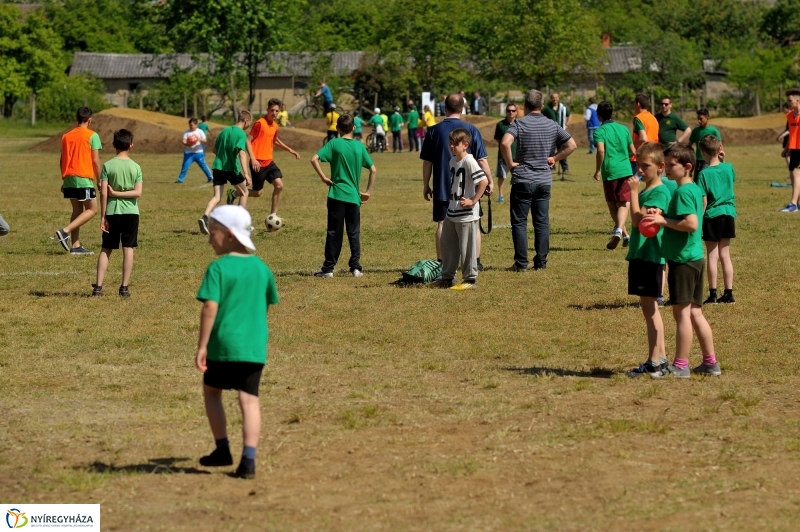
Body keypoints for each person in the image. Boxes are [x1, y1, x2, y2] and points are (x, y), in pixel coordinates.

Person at [195, 205, 279, 480]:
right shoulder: (262, 269)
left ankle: (222, 450)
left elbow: (210, 307)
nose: (209, 238)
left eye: (213, 232)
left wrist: (202, 346)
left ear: (229, 235)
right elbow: (266, 306)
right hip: (254, 348)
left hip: (224, 345)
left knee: (212, 392)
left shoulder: (218, 268)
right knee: (249, 400)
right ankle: (249, 461)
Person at [643, 144, 721, 378]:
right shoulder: (694, 189)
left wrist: (663, 221)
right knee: (696, 313)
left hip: (683, 259)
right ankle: (710, 362)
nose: (666, 167)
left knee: (682, 314)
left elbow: (691, 224)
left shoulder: (683, 192)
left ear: (687, 167)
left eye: (671, 164)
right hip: (695, 256)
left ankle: (680, 365)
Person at [500, 89, 576, 271]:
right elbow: (571, 145)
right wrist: (555, 158)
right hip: (543, 180)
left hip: (522, 179)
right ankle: (541, 263)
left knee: (519, 223)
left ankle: (521, 263)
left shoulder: (519, 124)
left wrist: (510, 164)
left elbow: (505, 143)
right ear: (542, 106)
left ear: (525, 107)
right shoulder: (552, 124)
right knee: (541, 222)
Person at [421, 94, 493, 265]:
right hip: (468, 189)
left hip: (442, 187)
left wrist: (426, 185)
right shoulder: (471, 130)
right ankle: (476, 261)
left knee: (441, 224)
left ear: (445, 108)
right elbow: (482, 160)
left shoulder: (433, 130)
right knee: (473, 224)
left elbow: (427, 162)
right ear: (462, 109)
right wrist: (489, 180)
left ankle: (441, 262)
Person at [623, 143, 672, 378]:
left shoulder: (658, 192)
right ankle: (660, 359)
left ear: (660, 167)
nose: (640, 171)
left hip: (649, 255)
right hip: (643, 255)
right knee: (649, 309)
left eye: (646, 166)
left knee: (650, 309)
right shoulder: (649, 191)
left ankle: (655, 361)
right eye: (638, 165)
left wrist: (632, 193)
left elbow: (638, 222)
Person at [310, 114, 376, 278]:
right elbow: (373, 169)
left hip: (336, 194)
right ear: (354, 128)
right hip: (354, 197)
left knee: (334, 231)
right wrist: (367, 192)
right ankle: (355, 268)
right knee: (353, 232)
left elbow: (314, 159)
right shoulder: (359, 147)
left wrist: (323, 177)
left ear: (337, 128)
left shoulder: (333, 143)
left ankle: (328, 269)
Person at [428, 128, 488, 290]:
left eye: (456, 144)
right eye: (451, 143)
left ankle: (470, 279)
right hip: (452, 211)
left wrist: (473, 200)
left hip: (466, 214)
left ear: (465, 145)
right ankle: (447, 277)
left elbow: (483, 181)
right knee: (448, 245)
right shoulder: (452, 161)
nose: (452, 146)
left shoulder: (470, 161)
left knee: (467, 248)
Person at [228, 99, 300, 218]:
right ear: (267, 110)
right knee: (257, 192)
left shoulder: (275, 126)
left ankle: (273, 215)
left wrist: (290, 150)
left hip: (269, 162)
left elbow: (275, 140)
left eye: (277, 111)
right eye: (272, 110)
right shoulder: (259, 123)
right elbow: (248, 140)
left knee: (279, 185)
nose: (274, 113)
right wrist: (253, 158)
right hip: (257, 163)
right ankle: (234, 193)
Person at [93, 129, 142, 298]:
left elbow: (104, 192)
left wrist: (103, 215)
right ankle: (124, 287)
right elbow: (138, 193)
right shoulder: (136, 167)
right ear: (131, 145)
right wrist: (121, 194)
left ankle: (98, 287)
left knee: (106, 249)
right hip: (131, 213)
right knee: (128, 248)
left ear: (114, 145)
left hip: (112, 212)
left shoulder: (107, 166)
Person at [54, 106, 102, 255]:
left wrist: (64, 179)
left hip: (68, 178)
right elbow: (95, 161)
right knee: (92, 210)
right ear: (90, 120)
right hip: (83, 179)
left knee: (77, 210)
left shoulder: (66, 136)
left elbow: (62, 160)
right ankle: (65, 231)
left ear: (77, 119)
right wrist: (99, 180)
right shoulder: (92, 135)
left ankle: (75, 246)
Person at [198, 111, 253, 235]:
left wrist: (223, 156)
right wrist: (246, 174)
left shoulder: (224, 131)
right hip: (232, 169)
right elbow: (242, 153)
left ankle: (204, 217)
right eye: (250, 122)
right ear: (246, 121)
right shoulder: (241, 134)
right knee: (245, 192)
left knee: (216, 197)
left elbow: (214, 150)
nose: (250, 125)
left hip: (218, 167)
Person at [696, 135, 736, 304]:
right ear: (719, 149)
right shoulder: (728, 168)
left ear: (702, 152)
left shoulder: (703, 174)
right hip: (728, 214)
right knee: (725, 255)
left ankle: (712, 294)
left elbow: (703, 201)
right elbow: (731, 179)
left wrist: (698, 221)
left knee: (712, 256)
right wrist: (724, 159)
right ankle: (728, 293)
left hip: (712, 215)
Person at [593, 101, 636, 250]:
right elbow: (633, 151)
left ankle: (619, 230)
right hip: (626, 169)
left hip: (610, 170)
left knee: (612, 203)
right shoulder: (624, 129)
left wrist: (598, 170)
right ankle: (624, 235)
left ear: (598, 116)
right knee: (623, 203)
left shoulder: (599, 131)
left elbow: (600, 151)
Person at [688, 108, 722, 181]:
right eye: (698, 119)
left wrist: (721, 160)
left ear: (707, 118)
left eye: (701, 119)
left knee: (704, 179)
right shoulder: (696, 131)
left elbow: (720, 146)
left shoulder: (713, 131)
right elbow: (689, 146)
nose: (699, 121)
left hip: (709, 161)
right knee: (696, 181)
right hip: (697, 161)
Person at [493, 104, 518, 203]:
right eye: (508, 110)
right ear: (506, 112)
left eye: (513, 110)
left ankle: (517, 195)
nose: (511, 112)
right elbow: (498, 139)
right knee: (501, 176)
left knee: (517, 177)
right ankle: (501, 196)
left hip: (517, 155)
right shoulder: (500, 125)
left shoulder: (520, 124)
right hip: (503, 156)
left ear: (516, 112)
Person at [175, 118, 213, 184]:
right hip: (189, 153)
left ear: (196, 125)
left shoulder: (200, 131)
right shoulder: (187, 132)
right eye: (189, 125)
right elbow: (183, 140)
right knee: (185, 166)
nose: (190, 126)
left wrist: (199, 139)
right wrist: (187, 144)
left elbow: (205, 140)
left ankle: (211, 178)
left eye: (191, 125)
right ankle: (180, 180)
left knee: (203, 166)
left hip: (198, 152)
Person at [780, 90, 800, 212]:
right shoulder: (789, 116)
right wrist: (786, 149)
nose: (788, 103)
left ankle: (793, 204)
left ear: (798, 101)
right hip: (793, 149)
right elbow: (792, 134)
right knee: (794, 174)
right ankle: (797, 203)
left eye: (790, 101)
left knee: (796, 174)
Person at [542, 92, 571, 173]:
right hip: (550, 133)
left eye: (556, 97)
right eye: (553, 97)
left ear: (558, 98)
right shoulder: (547, 109)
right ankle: (551, 166)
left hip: (560, 132)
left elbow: (569, 115)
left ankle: (565, 168)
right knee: (550, 151)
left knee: (562, 150)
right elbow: (541, 117)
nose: (555, 99)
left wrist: (567, 124)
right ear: (551, 99)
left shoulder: (562, 108)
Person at [631, 93, 659, 175]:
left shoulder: (638, 118)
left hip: (639, 156)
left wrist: (630, 145)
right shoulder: (653, 118)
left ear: (638, 104)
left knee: (631, 182)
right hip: (652, 154)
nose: (634, 106)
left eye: (634, 104)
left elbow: (643, 138)